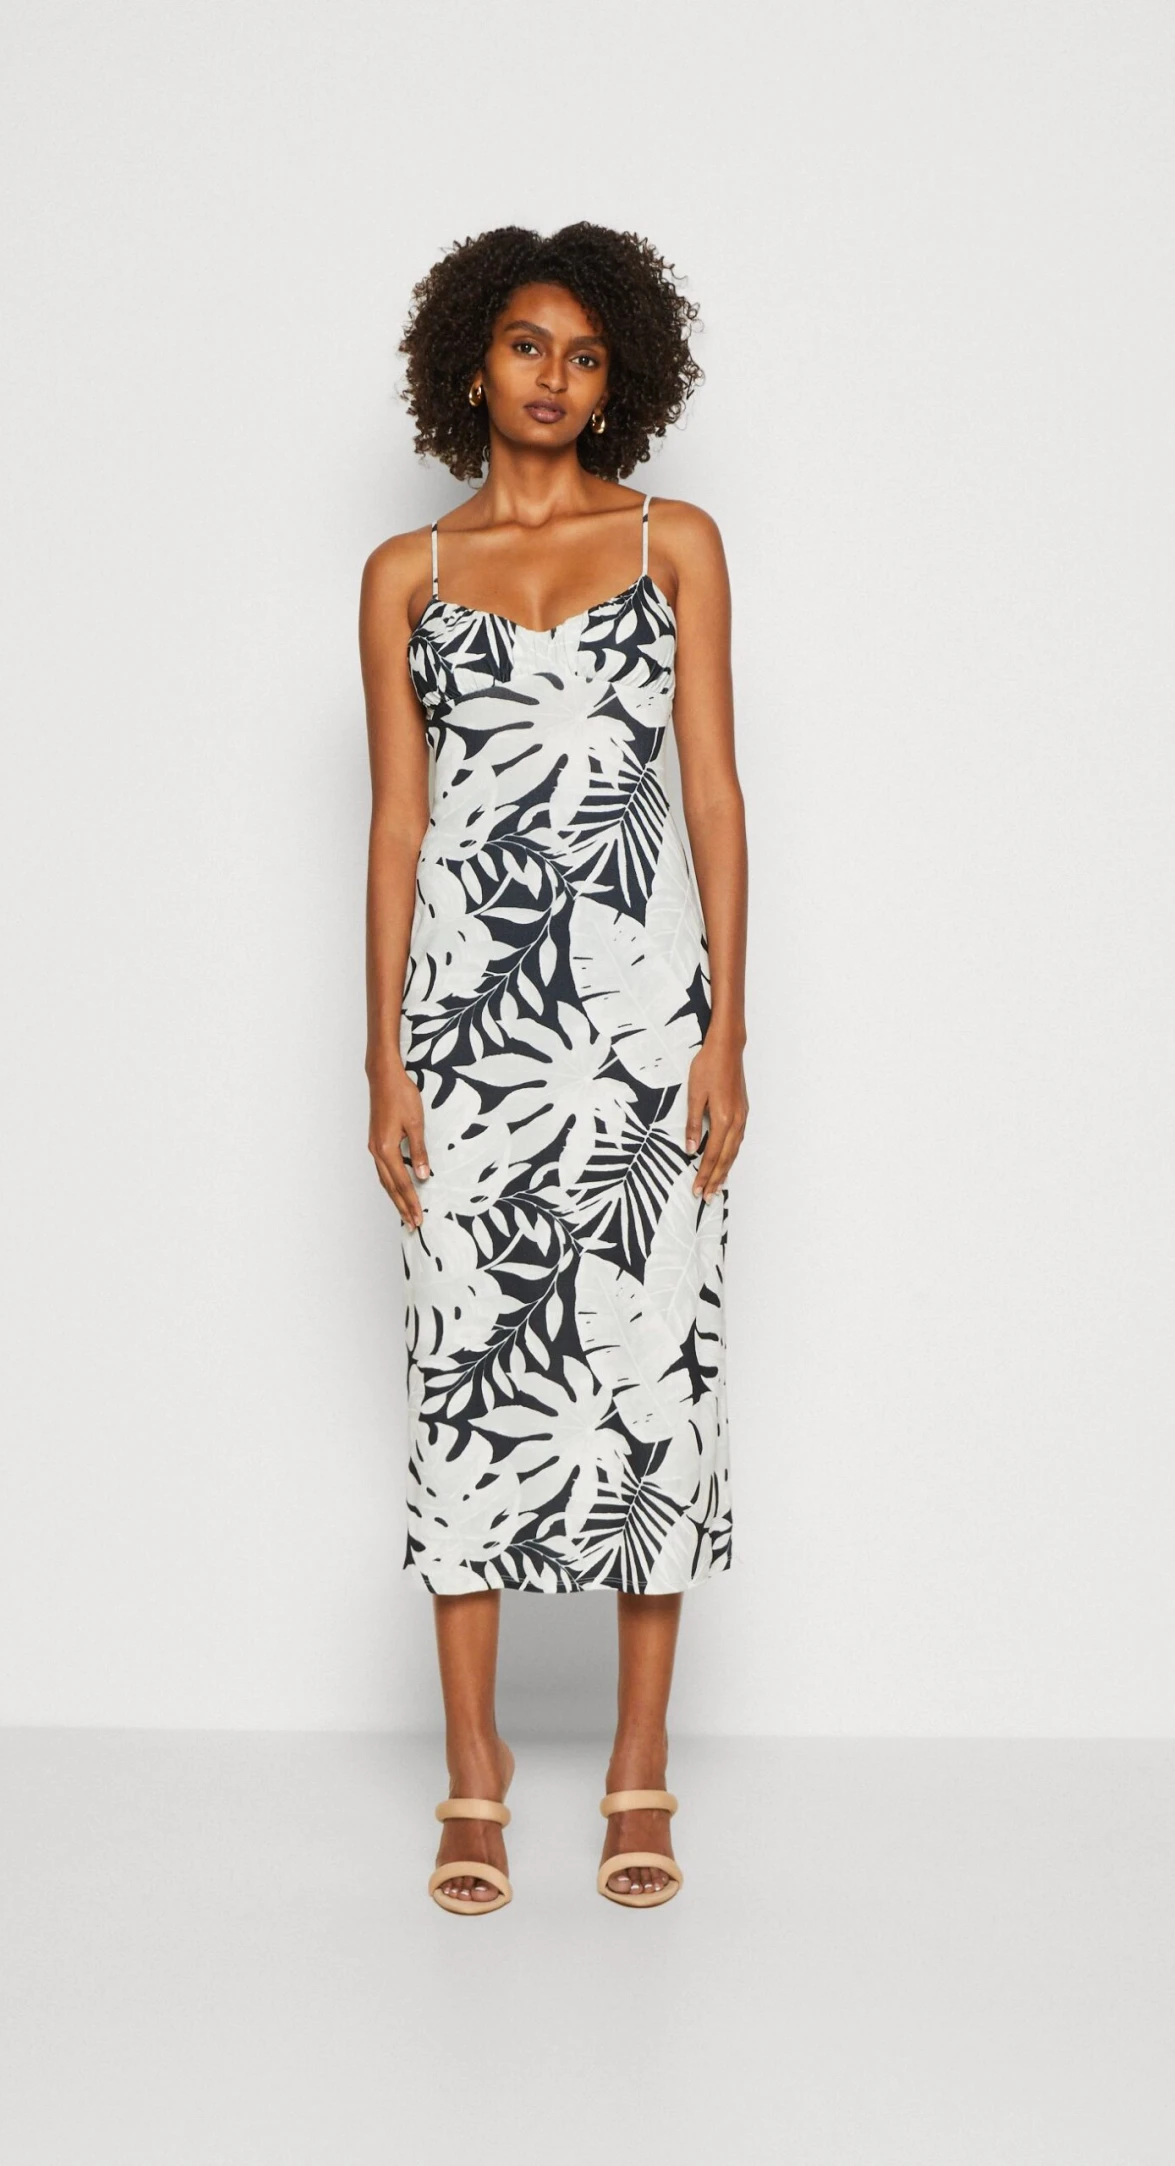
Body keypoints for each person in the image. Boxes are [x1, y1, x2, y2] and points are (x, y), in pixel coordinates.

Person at [359, 224, 749, 1913]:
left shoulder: (675, 544)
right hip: (469, 1036)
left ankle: (638, 1765)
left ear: (619, 380)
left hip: (645, 1029)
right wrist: (382, 1055)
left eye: (585, 356)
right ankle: (477, 1768)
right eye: (528, 345)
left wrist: (730, 1026)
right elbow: (398, 826)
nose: (554, 377)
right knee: (466, 1371)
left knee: (651, 1374)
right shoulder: (405, 573)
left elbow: (713, 789)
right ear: (471, 361)